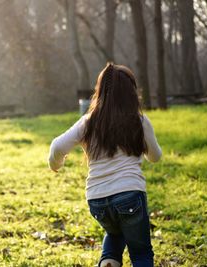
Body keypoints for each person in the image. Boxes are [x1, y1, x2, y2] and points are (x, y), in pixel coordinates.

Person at [48, 63, 162, 267]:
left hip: (97, 199)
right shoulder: (139, 121)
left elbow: (57, 146)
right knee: (141, 253)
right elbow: (155, 156)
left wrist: (56, 164)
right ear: (131, 93)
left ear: (100, 92)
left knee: (115, 233)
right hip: (129, 193)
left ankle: (108, 263)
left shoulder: (88, 122)